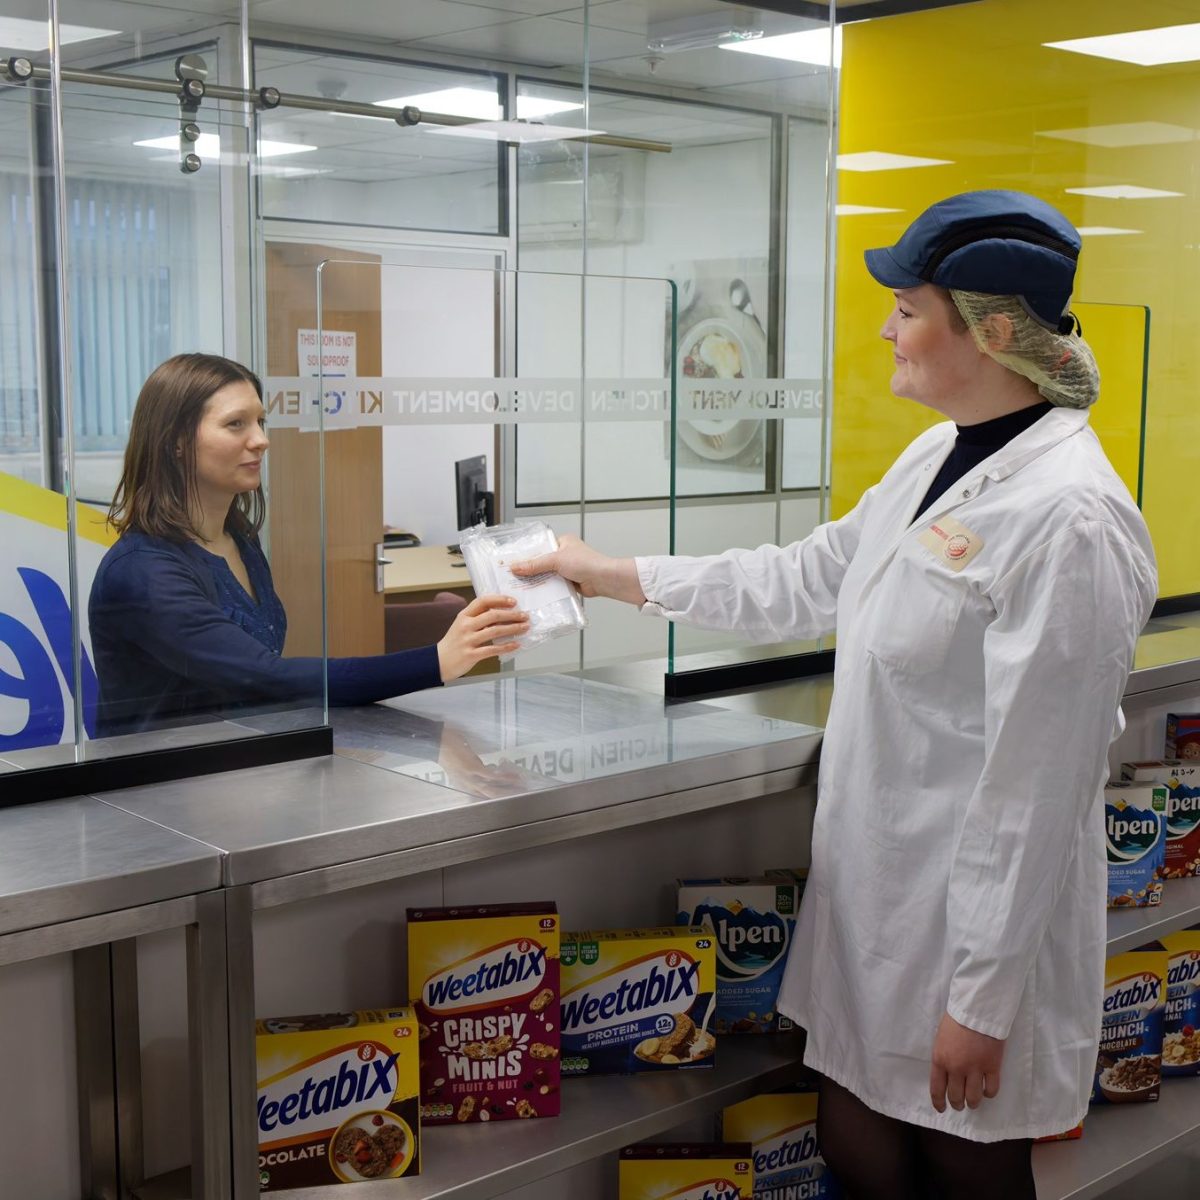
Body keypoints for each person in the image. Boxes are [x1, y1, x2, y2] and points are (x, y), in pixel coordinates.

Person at [513, 191, 1157, 1197]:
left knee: (965, 1171)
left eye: (908, 307)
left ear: (990, 330)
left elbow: (1038, 789)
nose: (886, 326)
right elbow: (807, 576)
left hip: (966, 943)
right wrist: (616, 573)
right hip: (879, 912)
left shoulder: (1071, 519)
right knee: (860, 1153)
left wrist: (981, 1002)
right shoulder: (936, 457)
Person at [89, 353, 526, 736]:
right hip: (162, 795)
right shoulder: (144, 571)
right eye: (235, 424)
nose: (261, 439)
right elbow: (267, 676)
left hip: (241, 773)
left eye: (261, 421)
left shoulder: (238, 539)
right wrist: (437, 661)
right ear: (176, 443)